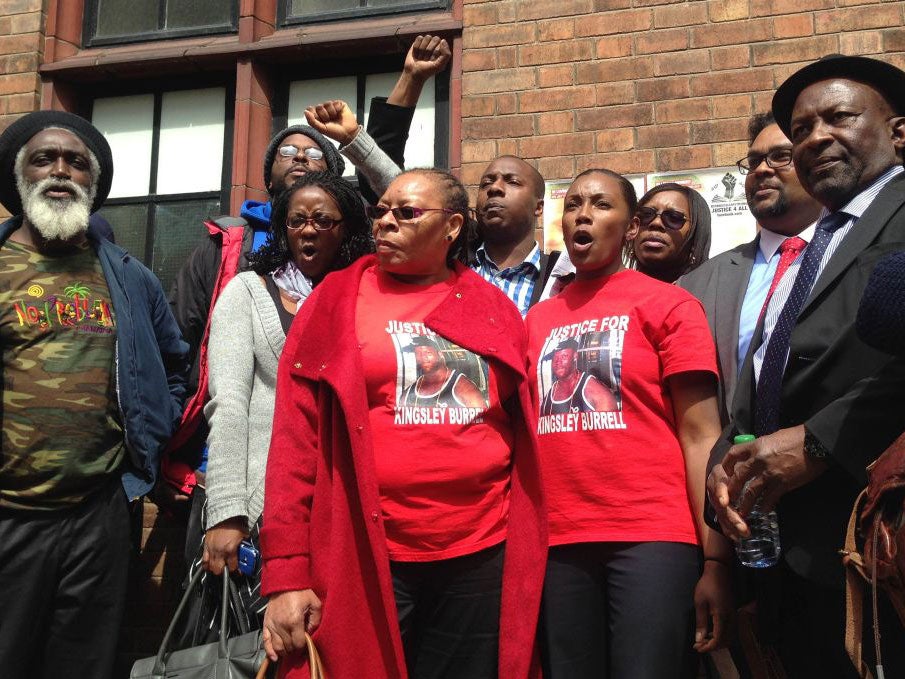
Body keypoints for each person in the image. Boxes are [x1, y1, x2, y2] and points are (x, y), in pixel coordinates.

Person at [259, 168, 546, 679]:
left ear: (452, 227)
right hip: (367, 552)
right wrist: (286, 574)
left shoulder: (493, 309)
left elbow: (522, 430)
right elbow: (293, 448)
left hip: (481, 552)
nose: (386, 221)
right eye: (380, 211)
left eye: (406, 212)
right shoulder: (333, 302)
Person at [163, 35, 447, 515]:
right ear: (270, 178)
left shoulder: (362, 266)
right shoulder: (226, 248)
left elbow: (391, 182)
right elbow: (181, 349)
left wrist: (409, 81)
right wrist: (173, 453)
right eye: (287, 152)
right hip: (241, 469)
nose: (300, 158)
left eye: (314, 154)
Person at [706, 54, 905, 678]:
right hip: (784, 553)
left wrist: (818, 444)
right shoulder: (820, 237)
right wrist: (729, 464)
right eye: (800, 129)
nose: (814, 138)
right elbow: (773, 360)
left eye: (839, 117)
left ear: (899, 132)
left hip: (871, 544)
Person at [0, 110, 189, 679]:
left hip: (100, 512)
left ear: (94, 182)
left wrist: (152, 437)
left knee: (86, 665)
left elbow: (174, 366)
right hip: (8, 513)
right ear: (19, 178)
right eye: (44, 159)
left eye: (76, 162)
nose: (60, 170)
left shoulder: (131, 277)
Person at [526, 168, 733, 679]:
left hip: (652, 536)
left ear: (632, 225)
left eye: (600, 204)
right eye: (573, 203)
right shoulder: (536, 319)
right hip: (557, 541)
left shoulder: (669, 305)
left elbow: (701, 435)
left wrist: (717, 561)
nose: (582, 214)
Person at [200, 173, 373, 627]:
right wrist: (226, 510)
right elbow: (229, 404)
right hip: (261, 509)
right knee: (265, 646)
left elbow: (427, 209)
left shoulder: (368, 297)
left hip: (348, 506)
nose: (309, 230)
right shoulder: (248, 293)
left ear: (348, 229)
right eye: (297, 220)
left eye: (323, 220)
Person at [679, 112, 822, 424]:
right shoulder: (696, 285)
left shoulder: (854, 254)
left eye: (780, 157)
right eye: (754, 161)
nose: (761, 170)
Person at [472, 155, 561, 315]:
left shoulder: (559, 280)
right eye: (486, 183)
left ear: (538, 207)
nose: (494, 188)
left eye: (512, 181)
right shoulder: (453, 268)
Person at [631, 181, 712, 283]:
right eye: (646, 214)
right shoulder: (613, 291)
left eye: (673, 218)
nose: (656, 223)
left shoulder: (712, 291)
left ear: (695, 234)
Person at [400, 335, 487, 408]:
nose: (423, 358)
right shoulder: (409, 392)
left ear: (440, 355)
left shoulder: (462, 386)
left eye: (428, 353)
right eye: (418, 354)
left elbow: (483, 422)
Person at [539, 338, 617, 415]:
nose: (558, 362)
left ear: (575, 356)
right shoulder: (549, 395)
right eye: (554, 358)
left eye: (564, 357)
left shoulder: (596, 393)